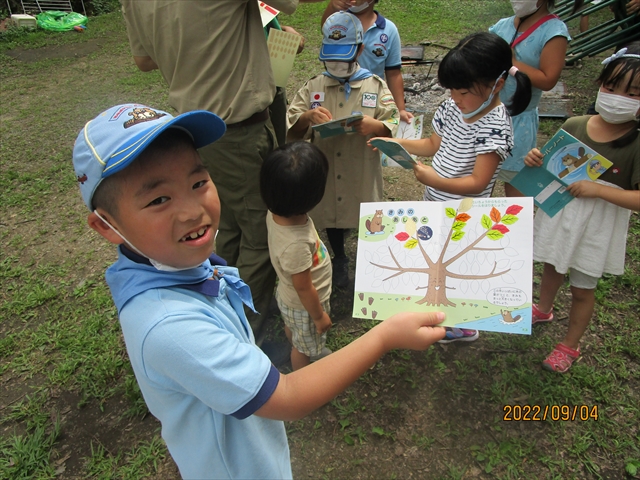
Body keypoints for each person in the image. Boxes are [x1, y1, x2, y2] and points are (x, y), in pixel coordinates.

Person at [72, 103, 446, 479]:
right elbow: (290, 398)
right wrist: (383, 337)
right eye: (158, 200)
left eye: (198, 182)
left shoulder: (176, 264)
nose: (192, 211)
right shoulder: (169, 327)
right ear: (106, 225)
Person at [119, 0, 321, 344]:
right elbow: (289, 4)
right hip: (239, 127)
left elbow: (143, 60)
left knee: (226, 225)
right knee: (260, 233)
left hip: (198, 126)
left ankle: (222, 302)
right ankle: (241, 329)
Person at [370, 32, 532, 343]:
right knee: (435, 258)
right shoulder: (453, 107)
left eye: (464, 92)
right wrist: (397, 142)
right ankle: (437, 309)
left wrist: (434, 179)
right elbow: (433, 143)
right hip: (436, 203)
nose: (456, 98)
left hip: (464, 214)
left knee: (456, 262)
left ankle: (463, 325)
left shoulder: (495, 125)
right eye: (452, 91)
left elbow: (478, 182)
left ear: (497, 85)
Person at [525, 44, 639, 373]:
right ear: (600, 85)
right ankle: (543, 308)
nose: (618, 97)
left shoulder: (637, 142)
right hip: (561, 212)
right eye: (612, 87)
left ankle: (570, 345)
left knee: (582, 288)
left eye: (632, 93)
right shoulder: (576, 124)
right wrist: (535, 158)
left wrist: (600, 190)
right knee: (551, 264)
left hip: (598, 227)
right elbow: (549, 164)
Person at [287, 11, 399, 288]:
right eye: (331, 57)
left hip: (360, 167)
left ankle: (371, 264)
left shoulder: (374, 85)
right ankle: (339, 258)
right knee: (332, 216)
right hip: (327, 166)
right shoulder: (315, 85)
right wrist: (308, 118)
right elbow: (291, 121)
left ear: (359, 50)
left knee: (365, 215)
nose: (336, 65)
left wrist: (377, 125)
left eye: (343, 57)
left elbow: (392, 119)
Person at [489, 0, 583, 197]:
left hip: (519, 120)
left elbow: (548, 80)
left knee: (516, 184)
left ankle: (518, 226)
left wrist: (512, 61)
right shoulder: (502, 26)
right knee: (479, 177)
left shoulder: (554, 31)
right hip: (488, 114)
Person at [261, 142, 334, 370]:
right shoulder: (296, 243)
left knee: (293, 327)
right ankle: (302, 377)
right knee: (301, 349)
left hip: (288, 298)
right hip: (306, 305)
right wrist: (319, 316)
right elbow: (304, 287)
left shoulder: (275, 211)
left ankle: (300, 340)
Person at [321, 0, 414, 123]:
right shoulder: (338, 22)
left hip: (371, 97)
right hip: (338, 92)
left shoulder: (388, 29)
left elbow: (393, 73)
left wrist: (400, 109)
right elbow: (325, 27)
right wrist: (332, 6)